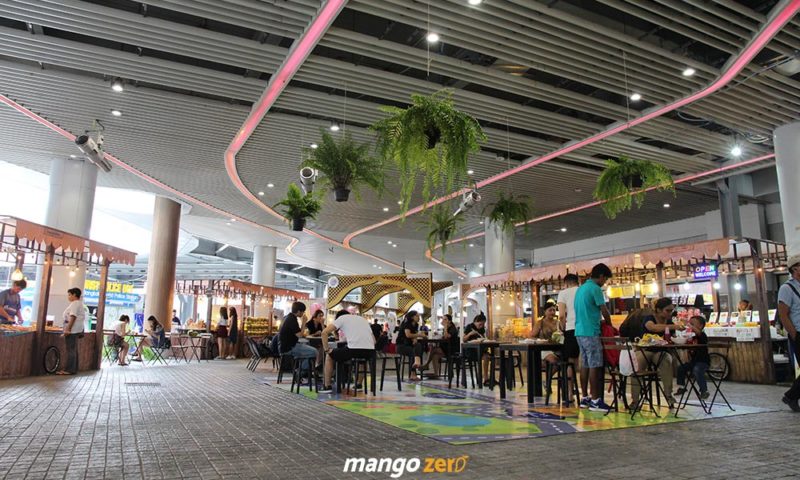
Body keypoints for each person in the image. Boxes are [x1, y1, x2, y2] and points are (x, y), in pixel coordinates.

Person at [629, 297, 685, 407]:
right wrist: (674, 326)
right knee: (637, 367)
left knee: (666, 361)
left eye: (671, 310)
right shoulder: (649, 318)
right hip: (645, 349)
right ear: (659, 310)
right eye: (667, 310)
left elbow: (672, 337)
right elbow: (653, 328)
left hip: (660, 351)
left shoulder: (669, 322)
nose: (670, 313)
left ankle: (668, 395)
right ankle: (635, 399)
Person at [574, 263, 613, 412]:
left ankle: (585, 398)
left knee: (585, 364)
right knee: (595, 365)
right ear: (601, 276)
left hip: (579, 331)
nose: (604, 282)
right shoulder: (595, 289)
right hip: (591, 332)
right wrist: (609, 325)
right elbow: (604, 310)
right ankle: (596, 400)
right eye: (605, 279)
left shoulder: (581, 288)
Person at [319, 310, 376, 393]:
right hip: (370, 352)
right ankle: (359, 384)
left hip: (353, 351)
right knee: (362, 360)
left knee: (329, 355)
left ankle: (327, 386)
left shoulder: (341, 318)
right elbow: (374, 341)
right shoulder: (362, 319)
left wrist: (326, 349)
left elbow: (324, 333)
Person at [779, 255, 800, 412]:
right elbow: (783, 314)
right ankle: (791, 396)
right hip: (798, 332)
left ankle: (791, 396)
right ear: (795, 268)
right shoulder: (787, 288)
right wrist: (794, 335)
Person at [557, 274, 582, 402]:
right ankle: (587, 395)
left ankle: (569, 394)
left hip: (571, 329)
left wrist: (562, 328)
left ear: (566, 283)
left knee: (570, 362)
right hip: (585, 329)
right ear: (578, 281)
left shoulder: (563, 293)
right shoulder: (582, 290)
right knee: (584, 362)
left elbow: (561, 315)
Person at [278, 301, 317, 380]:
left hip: (283, 346)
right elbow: (300, 335)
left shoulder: (287, 317)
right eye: (303, 311)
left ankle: (302, 371)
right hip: (289, 348)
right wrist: (304, 322)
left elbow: (296, 333)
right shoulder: (292, 319)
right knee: (314, 352)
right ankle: (299, 372)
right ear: (299, 311)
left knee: (308, 349)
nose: (303, 313)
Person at [676, 315, 710, 400]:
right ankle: (682, 387)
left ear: (700, 326)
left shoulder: (702, 335)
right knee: (681, 368)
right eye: (690, 324)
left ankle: (704, 391)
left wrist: (688, 324)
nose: (690, 326)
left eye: (692, 324)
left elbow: (698, 333)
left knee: (697, 370)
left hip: (703, 361)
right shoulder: (692, 337)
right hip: (693, 362)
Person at [57, 288, 85, 375]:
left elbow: (73, 316)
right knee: (73, 349)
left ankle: (69, 369)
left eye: (69, 295)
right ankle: (73, 368)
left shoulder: (75, 303)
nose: (68, 297)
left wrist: (68, 329)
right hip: (76, 329)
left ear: (74, 295)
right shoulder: (79, 303)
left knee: (71, 350)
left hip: (73, 330)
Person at [396, 310, 427, 381]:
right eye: (417, 316)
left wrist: (415, 339)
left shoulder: (416, 325)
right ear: (412, 317)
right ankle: (413, 373)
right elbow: (408, 335)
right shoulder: (407, 323)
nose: (418, 317)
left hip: (409, 345)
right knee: (413, 352)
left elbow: (413, 334)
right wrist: (419, 335)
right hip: (401, 346)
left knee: (418, 345)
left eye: (419, 316)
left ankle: (416, 363)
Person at [463, 313, 491, 386]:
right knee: (482, 356)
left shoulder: (482, 329)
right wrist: (470, 334)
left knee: (487, 356)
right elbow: (464, 339)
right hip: (471, 351)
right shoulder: (469, 327)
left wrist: (484, 339)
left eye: (483, 324)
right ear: (475, 321)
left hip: (480, 350)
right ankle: (480, 377)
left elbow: (483, 337)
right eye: (480, 324)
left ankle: (486, 378)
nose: (481, 326)